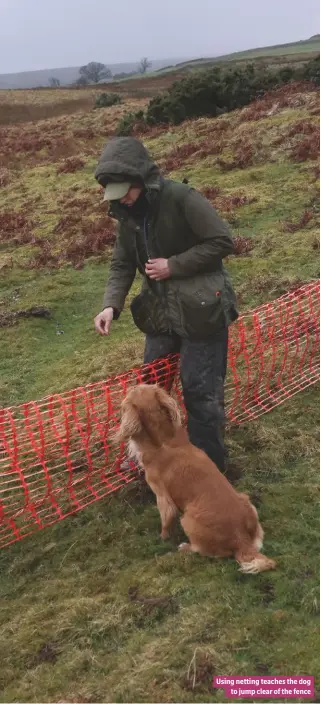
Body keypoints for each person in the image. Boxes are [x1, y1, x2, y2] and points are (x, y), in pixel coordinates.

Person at [94, 137, 238, 473]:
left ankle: (208, 469)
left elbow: (221, 241)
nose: (124, 201)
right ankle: (149, 459)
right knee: (150, 392)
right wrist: (110, 306)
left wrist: (173, 266)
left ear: (140, 180)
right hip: (159, 314)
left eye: (126, 192)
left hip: (202, 312)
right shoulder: (126, 214)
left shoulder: (182, 198)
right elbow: (121, 264)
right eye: (116, 196)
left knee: (200, 394)